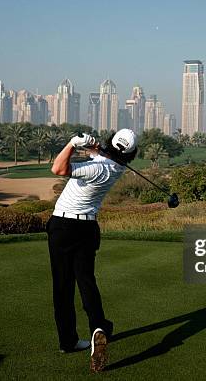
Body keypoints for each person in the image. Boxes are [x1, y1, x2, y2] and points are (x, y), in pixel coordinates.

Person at [47, 129, 138, 373]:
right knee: (87, 281)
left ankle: (68, 341)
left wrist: (71, 144)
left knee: (63, 285)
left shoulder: (95, 168)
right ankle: (99, 326)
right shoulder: (116, 167)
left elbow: (58, 169)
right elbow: (104, 155)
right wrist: (90, 145)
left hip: (63, 226)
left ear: (110, 142)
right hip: (88, 228)